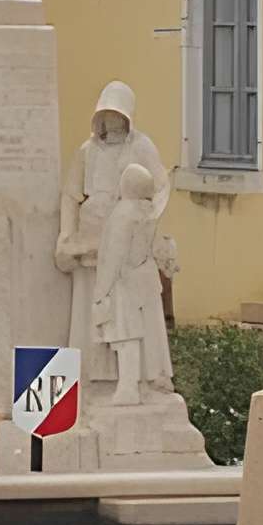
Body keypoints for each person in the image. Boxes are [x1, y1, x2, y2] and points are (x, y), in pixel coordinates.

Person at [58, 80, 171, 388]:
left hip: (126, 244)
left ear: (127, 116)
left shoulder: (141, 146)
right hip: (91, 236)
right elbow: (70, 194)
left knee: (127, 314)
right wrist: (65, 235)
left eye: (117, 115)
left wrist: (144, 224)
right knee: (91, 307)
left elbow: (160, 187)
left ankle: (137, 377)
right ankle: (88, 374)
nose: (112, 121)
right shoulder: (86, 151)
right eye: (106, 115)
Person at [92, 163, 171, 403]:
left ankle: (128, 387)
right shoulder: (147, 211)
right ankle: (146, 382)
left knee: (125, 334)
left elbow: (113, 256)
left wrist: (101, 289)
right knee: (145, 333)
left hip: (123, 281)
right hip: (145, 281)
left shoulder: (123, 213)